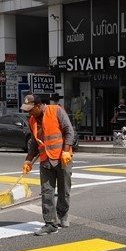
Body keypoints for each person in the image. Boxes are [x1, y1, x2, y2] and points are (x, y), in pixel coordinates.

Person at [24, 97, 76, 236]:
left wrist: (66, 150)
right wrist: (28, 160)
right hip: (45, 160)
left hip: (62, 158)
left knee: (64, 190)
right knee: (47, 192)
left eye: (31, 110)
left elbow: (69, 131)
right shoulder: (32, 121)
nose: (29, 113)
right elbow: (35, 143)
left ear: (39, 105)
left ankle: (63, 214)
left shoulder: (56, 111)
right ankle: (50, 223)